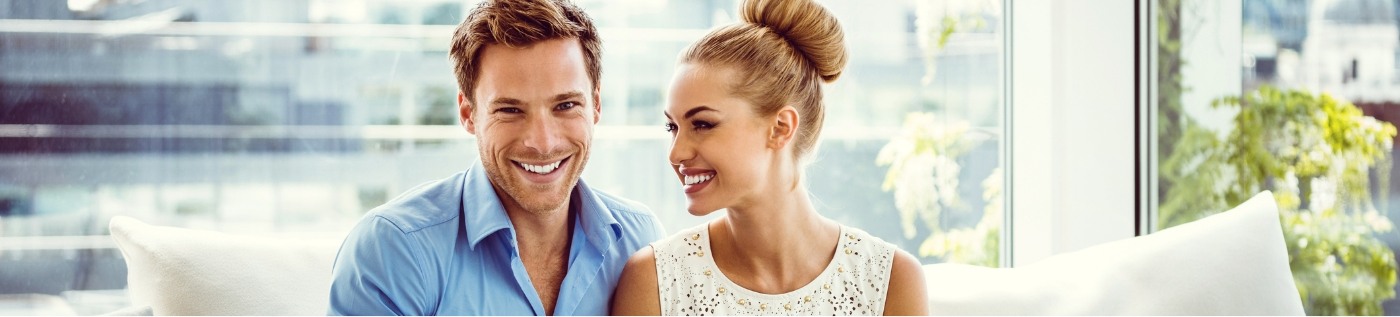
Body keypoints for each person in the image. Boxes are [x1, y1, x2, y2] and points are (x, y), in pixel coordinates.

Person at [327, 0, 665, 315]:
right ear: (468, 114)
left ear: (596, 106)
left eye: (565, 106)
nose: (543, 142)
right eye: (510, 110)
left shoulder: (640, 239)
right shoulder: (393, 249)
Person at [610, 0, 929, 315]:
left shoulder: (889, 280)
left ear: (780, 128)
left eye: (703, 124)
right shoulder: (655, 280)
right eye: (672, 126)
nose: (676, 153)